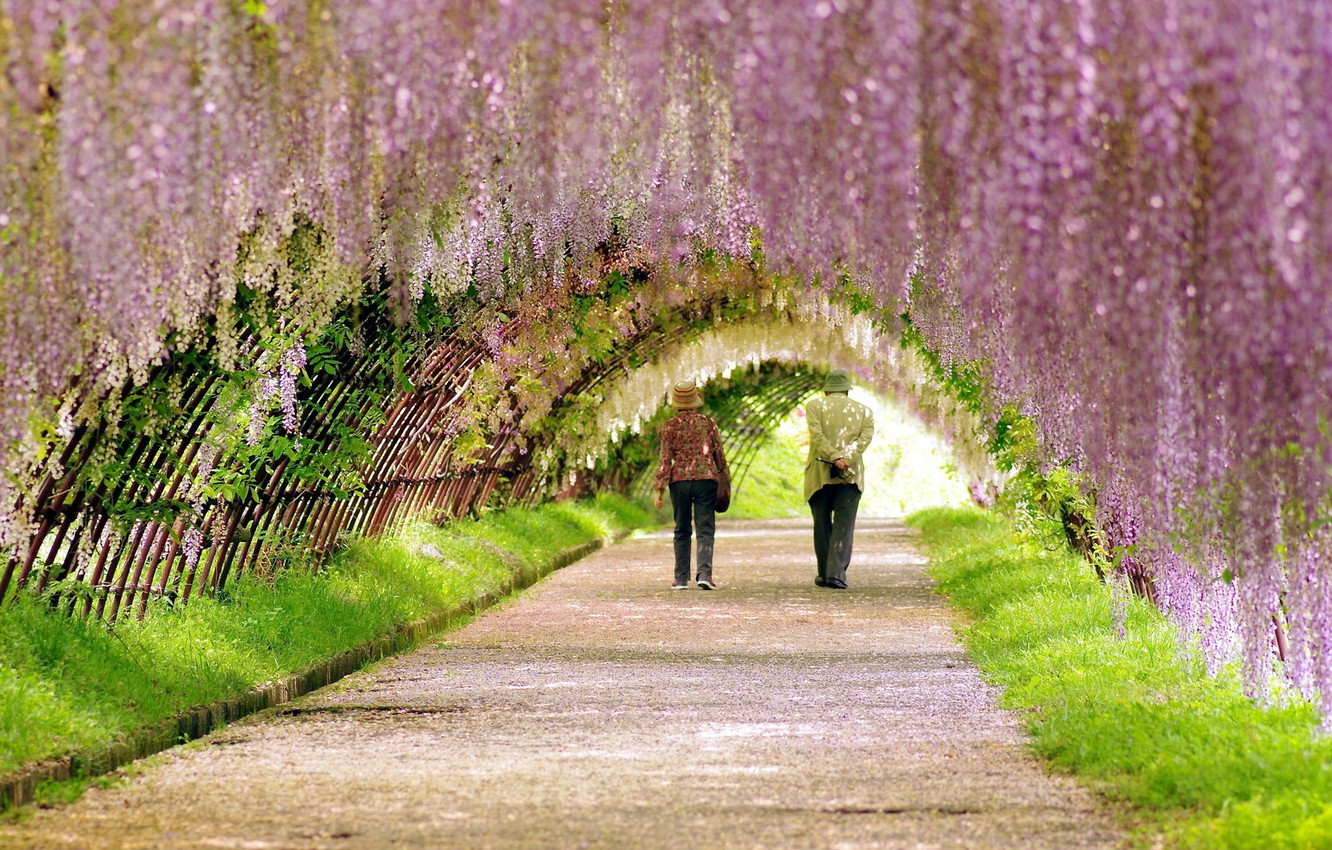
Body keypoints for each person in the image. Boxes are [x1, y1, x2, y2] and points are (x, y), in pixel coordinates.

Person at [653, 380, 731, 590]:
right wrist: (725, 477)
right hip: (706, 480)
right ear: (696, 402)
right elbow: (718, 454)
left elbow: (665, 459)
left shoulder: (669, 426)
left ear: (677, 403)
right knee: (705, 528)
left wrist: (659, 487)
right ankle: (704, 574)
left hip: (679, 481)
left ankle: (680, 578)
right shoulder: (708, 423)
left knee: (682, 529)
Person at [803, 369, 874, 589]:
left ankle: (824, 574)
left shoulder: (814, 406)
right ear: (846, 390)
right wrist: (845, 458)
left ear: (826, 390)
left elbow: (817, 435)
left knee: (821, 523)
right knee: (844, 524)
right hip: (850, 475)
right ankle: (836, 574)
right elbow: (864, 439)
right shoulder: (864, 411)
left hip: (820, 473)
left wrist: (834, 457)